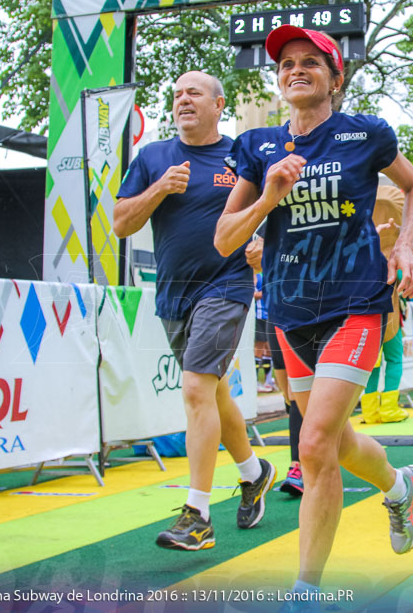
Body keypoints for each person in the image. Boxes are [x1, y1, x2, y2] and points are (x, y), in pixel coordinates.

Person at [213, 26, 413, 595]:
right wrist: (267, 198)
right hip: (289, 310)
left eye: (311, 62)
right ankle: (400, 486)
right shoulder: (257, 146)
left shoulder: (365, 134)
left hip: (355, 303)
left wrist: (404, 245)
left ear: (335, 78)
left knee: (311, 446)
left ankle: (306, 593)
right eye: (287, 64)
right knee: (328, 441)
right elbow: (224, 240)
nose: (296, 70)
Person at [112, 70, 275, 550]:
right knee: (215, 390)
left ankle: (198, 515)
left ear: (218, 104)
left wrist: (262, 241)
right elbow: (121, 223)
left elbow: (273, 209)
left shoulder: (241, 156)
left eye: (194, 93)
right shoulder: (153, 158)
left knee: (196, 387)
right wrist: (159, 189)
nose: (183, 100)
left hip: (226, 285)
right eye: (177, 94)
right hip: (174, 294)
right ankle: (252, 471)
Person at [246, 235, 304, 496]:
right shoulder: (266, 220)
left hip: (305, 311)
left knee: (297, 392)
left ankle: (298, 466)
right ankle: (317, 446)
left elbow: (298, 257)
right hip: (274, 313)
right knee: (290, 396)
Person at [360, 183, 411, 425]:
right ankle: (389, 408)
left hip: (364, 316)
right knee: (394, 358)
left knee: (371, 363)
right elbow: (403, 280)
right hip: (389, 316)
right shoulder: (394, 253)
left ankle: (369, 411)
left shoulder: (360, 248)